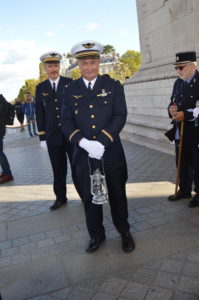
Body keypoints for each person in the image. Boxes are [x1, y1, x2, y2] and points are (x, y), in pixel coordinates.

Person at [61, 40, 135, 253]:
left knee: (117, 193)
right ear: (78, 64)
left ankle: (124, 231)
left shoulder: (112, 86)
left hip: (110, 150)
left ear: (99, 62)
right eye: (84, 63)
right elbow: (66, 121)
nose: (89, 67)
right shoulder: (70, 89)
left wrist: (101, 141)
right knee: (89, 196)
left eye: (93, 62)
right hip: (83, 153)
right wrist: (83, 142)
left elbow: (120, 115)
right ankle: (96, 235)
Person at [35, 51, 81, 211]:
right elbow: (39, 113)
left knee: (77, 167)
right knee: (58, 169)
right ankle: (61, 198)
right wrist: (42, 137)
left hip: (72, 135)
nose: (53, 68)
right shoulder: (41, 88)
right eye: (50, 66)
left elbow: (78, 108)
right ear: (45, 68)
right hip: (52, 137)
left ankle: (84, 195)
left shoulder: (70, 83)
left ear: (59, 66)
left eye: (56, 65)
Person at [165, 51, 199, 207]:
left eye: (181, 67)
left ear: (192, 66)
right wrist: (171, 110)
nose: (178, 71)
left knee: (196, 162)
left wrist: (185, 114)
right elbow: (172, 102)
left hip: (195, 131)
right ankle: (184, 190)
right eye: (176, 68)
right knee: (182, 162)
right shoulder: (178, 83)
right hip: (180, 130)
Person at [0, 94, 14, 184]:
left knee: (0, 153)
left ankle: (8, 174)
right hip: (1, 128)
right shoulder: (2, 100)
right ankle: (5, 172)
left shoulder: (1, 102)